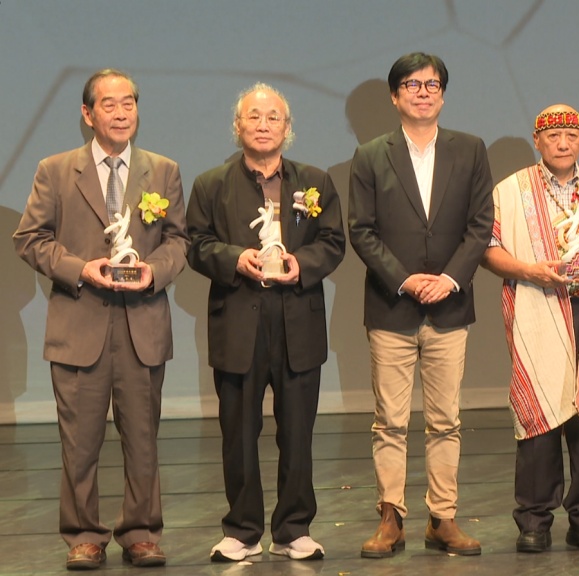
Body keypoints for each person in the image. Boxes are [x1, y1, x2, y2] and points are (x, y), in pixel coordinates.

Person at [12, 69, 187, 569]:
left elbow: (179, 241)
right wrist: (79, 268)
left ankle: (141, 533)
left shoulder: (163, 170)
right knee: (79, 442)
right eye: (109, 104)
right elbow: (30, 238)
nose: (121, 112)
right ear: (88, 114)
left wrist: (153, 272)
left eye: (129, 103)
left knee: (143, 439)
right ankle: (84, 535)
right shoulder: (55, 170)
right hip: (79, 323)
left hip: (142, 325)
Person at [186, 83, 345, 562]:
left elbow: (333, 241)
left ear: (287, 127)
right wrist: (234, 258)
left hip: (298, 322)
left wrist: (303, 263)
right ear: (238, 126)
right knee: (238, 433)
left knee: (297, 433)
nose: (263, 124)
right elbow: (195, 244)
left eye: (273, 117)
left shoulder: (314, 181)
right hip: (238, 322)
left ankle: (293, 529)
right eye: (253, 116)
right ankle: (242, 530)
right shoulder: (212, 184)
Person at [348, 52, 493, 558]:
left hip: (450, 306)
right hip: (391, 307)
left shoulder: (470, 150)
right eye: (412, 84)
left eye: (432, 84)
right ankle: (390, 517)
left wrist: (449, 279)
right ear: (395, 96)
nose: (423, 92)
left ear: (443, 95)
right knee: (389, 420)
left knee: (446, 419)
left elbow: (481, 224)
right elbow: (361, 231)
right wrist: (406, 279)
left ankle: (442, 518)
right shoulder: (371, 155)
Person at [482, 104, 579, 553]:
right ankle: (534, 520)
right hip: (537, 307)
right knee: (539, 412)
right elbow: (489, 249)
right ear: (538, 140)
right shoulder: (510, 190)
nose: (563, 143)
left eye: (571, 135)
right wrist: (530, 270)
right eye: (553, 136)